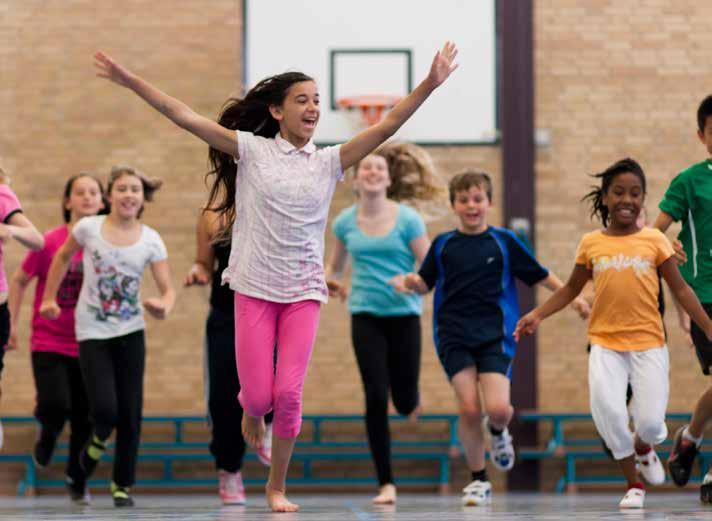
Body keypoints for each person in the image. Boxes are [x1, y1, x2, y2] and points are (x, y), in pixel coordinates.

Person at [92, 41, 458, 512]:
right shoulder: (252, 150)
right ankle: (251, 409)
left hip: (303, 292)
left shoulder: (330, 162)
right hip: (254, 290)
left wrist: (430, 83)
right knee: (259, 395)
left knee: (287, 396)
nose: (313, 108)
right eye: (302, 100)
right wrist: (131, 81)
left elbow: (388, 124)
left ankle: (275, 486)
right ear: (277, 111)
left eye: (317, 101)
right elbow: (184, 116)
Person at [515, 158, 712, 509]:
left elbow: (681, 290)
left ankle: (644, 447)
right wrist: (537, 314)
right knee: (610, 413)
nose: (627, 200)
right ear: (605, 198)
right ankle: (634, 484)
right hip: (605, 343)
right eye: (619, 192)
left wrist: (708, 327)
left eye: (635, 193)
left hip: (649, 343)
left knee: (651, 425)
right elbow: (571, 289)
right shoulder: (592, 243)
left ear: (643, 199)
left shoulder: (654, 241)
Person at [397, 171, 589, 506]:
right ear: (454, 204)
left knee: (498, 409)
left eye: (477, 199)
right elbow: (426, 284)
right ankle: (478, 480)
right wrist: (412, 282)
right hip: (453, 335)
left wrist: (573, 298)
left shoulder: (505, 241)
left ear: (489, 202)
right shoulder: (443, 244)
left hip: (496, 334)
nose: (471, 206)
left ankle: (499, 432)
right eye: (464, 200)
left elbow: (540, 274)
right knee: (470, 409)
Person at [40, 166, 175, 508]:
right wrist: (49, 298)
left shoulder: (151, 239)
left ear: (142, 198)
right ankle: (96, 442)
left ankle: (121, 485)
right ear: (110, 196)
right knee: (105, 410)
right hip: (93, 331)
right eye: (122, 189)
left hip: (131, 331)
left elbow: (167, 288)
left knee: (131, 413)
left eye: (135, 189)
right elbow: (61, 257)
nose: (129, 194)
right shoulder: (89, 228)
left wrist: (164, 304)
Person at [325, 144, 435, 504]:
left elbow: (431, 268)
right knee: (374, 394)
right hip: (365, 314)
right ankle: (386, 482)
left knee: (402, 401)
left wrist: (412, 282)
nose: (372, 173)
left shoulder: (407, 220)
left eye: (379, 169)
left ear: (388, 179)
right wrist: (329, 281)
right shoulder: (344, 222)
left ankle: (411, 398)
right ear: (355, 180)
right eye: (365, 169)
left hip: (404, 316)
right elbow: (335, 267)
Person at [7, 173, 105, 504]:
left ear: (103, 201)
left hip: (91, 342)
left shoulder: (107, 243)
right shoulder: (50, 241)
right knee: (55, 405)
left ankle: (77, 480)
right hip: (48, 340)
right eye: (81, 192)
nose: (88, 197)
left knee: (85, 417)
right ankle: (47, 435)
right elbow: (20, 280)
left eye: (94, 192)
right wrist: (12, 324)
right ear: (68, 202)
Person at [185, 208, 273, 505]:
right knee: (224, 397)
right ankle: (230, 468)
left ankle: (271, 426)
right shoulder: (213, 214)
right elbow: (204, 262)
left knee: (272, 377)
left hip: (266, 309)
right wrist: (198, 271)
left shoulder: (273, 203)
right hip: (226, 315)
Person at [656, 95, 712, 502]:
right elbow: (655, 232)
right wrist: (666, 245)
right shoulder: (690, 181)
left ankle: (691, 436)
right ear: (702, 136)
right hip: (704, 296)